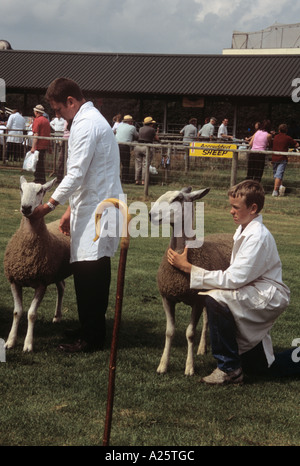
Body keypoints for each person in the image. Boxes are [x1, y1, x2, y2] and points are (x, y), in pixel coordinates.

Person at [167, 180, 299, 384]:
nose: (231, 211)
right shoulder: (244, 230)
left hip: (267, 295)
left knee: (216, 298)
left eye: (236, 207)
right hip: (254, 291)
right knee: (263, 369)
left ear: (253, 208)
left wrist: (189, 268)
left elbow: (234, 278)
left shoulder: (257, 236)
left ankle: (228, 368)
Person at [30, 77, 123, 353]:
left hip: (98, 207)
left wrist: (50, 205)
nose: (57, 116)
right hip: (94, 203)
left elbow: (77, 173)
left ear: (71, 101)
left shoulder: (86, 124)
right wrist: (71, 209)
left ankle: (92, 336)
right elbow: (88, 173)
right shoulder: (90, 120)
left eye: (58, 110)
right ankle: (89, 327)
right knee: (86, 268)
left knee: (90, 271)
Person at [271, 123, 298, 197]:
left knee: (276, 174)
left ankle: (280, 188)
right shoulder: (287, 138)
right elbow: (296, 145)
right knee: (279, 175)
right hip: (282, 158)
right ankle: (275, 191)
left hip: (274, 157)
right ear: (286, 130)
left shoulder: (275, 137)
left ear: (279, 130)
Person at [133, 116, 159, 185]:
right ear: (151, 124)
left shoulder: (140, 129)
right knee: (145, 164)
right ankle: (143, 181)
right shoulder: (152, 129)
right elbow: (156, 138)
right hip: (146, 147)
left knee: (138, 164)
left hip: (138, 146)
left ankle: (136, 180)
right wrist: (159, 140)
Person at [31, 104, 51, 184]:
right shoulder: (46, 121)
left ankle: (38, 179)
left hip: (39, 145)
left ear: (36, 112)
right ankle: (42, 179)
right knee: (41, 162)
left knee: (37, 163)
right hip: (45, 144)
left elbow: (36, 134)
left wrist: (33, 147)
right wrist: (50, 146)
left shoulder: (37, 120)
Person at [115, 114, 138, 183]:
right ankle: (124, 179)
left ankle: (116, 178)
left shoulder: (119, 126)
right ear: (129, 122)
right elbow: (137, 136)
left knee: (117, 163)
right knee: (125, 163)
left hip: (117, 145)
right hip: (125, 146)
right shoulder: (132, 127)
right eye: (131, 121)